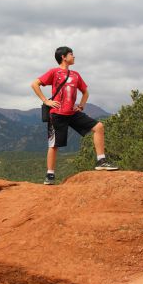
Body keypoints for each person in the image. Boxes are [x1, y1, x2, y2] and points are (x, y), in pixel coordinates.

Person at [31, 46, 118, 185]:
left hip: (72, 112)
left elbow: (85, 92)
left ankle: (101, 161)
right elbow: (35, 84)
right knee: (53, 145)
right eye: (71, 54)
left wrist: (81, 105)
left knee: (99, 127)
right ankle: (50, 175)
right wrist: (46, 101)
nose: (74, 56)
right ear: (63, 57)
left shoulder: (76, 75)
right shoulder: (54, 72)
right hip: (57, 113)